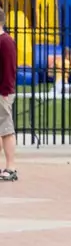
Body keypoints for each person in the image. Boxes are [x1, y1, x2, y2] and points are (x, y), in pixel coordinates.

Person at [0, 14, 17, 183]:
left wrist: (5, 91)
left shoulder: (5, 42)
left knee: (6, 130)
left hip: (2, 93)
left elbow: (9, 68)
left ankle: (11, 167)